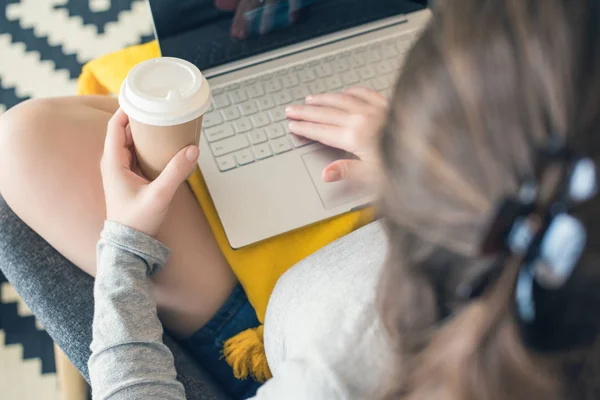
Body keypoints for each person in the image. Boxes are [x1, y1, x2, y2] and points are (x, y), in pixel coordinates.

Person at [1, 0, 599, 399]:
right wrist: (419, 174)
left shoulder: (338, 366)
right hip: (386, 255)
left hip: (269, 329)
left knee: (25, 143)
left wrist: (125, 254)